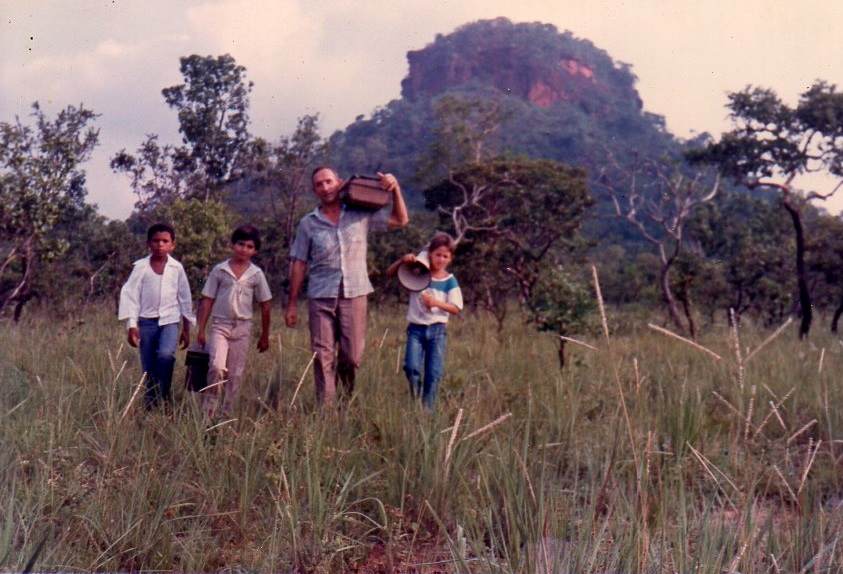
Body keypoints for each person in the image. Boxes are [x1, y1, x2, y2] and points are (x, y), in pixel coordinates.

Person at [286, 167, 409, 406]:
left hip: (355, 293)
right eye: (319, 184)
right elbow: (299, 263)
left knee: (351, 357)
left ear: (339, 182)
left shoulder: (359, 214)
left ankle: (344, 400)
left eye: (329, 181)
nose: (325, 187)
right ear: (314, 191)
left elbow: (400, 220)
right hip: (320, 296)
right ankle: (327, 414)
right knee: (322, 356)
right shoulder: (308, 224)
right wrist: (292, 303)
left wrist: (396, 189)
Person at [195, 225, 272, 417]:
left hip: (242, 328)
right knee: (216, 367)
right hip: (220, 326)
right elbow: (207, 300)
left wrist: (264, 335)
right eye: (240, 244)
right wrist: (201, 330)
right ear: (232, 245)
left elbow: (265, 304)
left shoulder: (256, 274)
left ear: (255, 250)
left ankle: (226, 415)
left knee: (235, 374)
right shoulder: (220, 270)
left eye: (249, 246)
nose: (243, 249)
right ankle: (208, 413)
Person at [118, 223, 194, 408]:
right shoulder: (141, 267)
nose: (160, 245)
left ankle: (165, 396)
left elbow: (185, 298)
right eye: (156, 241)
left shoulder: (177, 268)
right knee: (149, 365)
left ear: (172, 245)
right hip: (146, 323)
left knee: (166, 356)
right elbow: (131, 296)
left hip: (170, 321)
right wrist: (132, 326)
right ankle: (151, 404)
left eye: (165, 241)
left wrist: (186, 329)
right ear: (148, 244)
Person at [386, 232, 462, 410]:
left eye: (445, 256)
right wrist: (402, 262)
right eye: (437, 255)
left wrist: (436, 303)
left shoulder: (450, 281)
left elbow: (456, 308)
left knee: (433, 373)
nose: (441, 259)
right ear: (430, 254)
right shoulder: (417, 273)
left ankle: (428, 411)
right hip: (416, 330)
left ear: (450, 258)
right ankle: (417, 398)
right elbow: (390, 273)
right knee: (411, 367)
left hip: (437, 330)